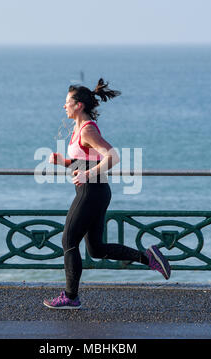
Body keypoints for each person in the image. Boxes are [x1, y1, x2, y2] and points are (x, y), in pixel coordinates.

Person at [43, 78, 171, 309]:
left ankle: (71, 297)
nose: (64, 106)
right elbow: (86, 159)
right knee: (97, 249)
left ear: (78, 105)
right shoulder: (79, 128)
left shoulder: (88, 129)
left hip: (91, 192)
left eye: (67, 102)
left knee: (68, 240)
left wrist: (87, 175)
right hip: (96, 191)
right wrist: (64, 162)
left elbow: (113, 156)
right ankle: (148, 257)